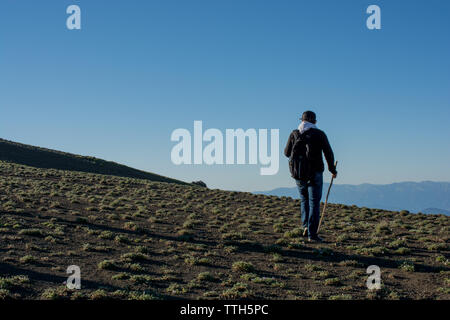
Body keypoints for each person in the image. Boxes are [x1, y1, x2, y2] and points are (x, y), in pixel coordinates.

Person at [284, 111, 337, 242]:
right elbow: (328, 153)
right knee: (314, 203)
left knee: (304, 200)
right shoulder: (319, 134)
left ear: (301, 120)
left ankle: (305, 227)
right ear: (314, 122)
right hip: (315, 173)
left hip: (298, 174)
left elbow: (286, 153)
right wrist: (332, 169)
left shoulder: (294, 133)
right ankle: (312, 235)